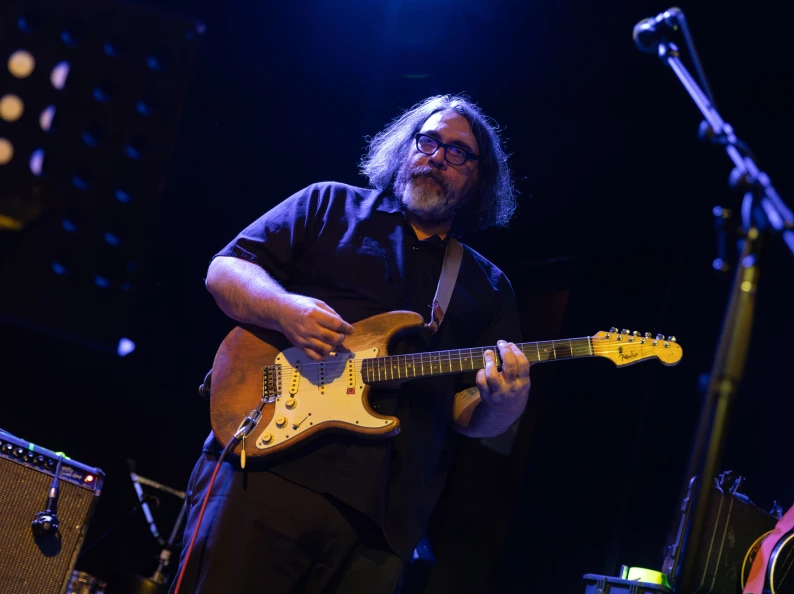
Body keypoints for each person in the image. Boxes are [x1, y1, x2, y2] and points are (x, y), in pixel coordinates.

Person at [171, 94, 531, 594]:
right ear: (406, 148)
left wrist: (505, 405)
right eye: (428, 141)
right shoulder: (328, 204)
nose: (437, 157)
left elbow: (469, 415)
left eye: (457, 153)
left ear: (478, 178)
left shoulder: (488, 287)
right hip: (270, 473)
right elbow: (226, 270)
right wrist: (286, 309)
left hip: (383, 527)